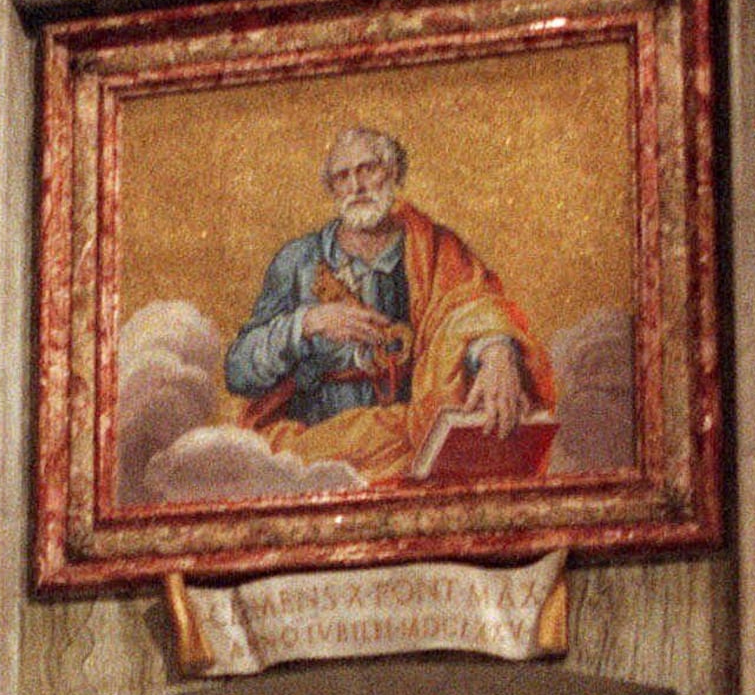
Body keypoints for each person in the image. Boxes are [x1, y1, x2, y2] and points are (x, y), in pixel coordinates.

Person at [223, 126, 557, 483]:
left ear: (393, 171)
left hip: (416, 446)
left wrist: (497, 352)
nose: (356, 186)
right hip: (320, 456)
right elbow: (239, 371)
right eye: (342, 176)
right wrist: (307, 323)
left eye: (368, 169)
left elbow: (473, 306)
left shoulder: (433, 248)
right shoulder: (297, 261)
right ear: (333, 188)